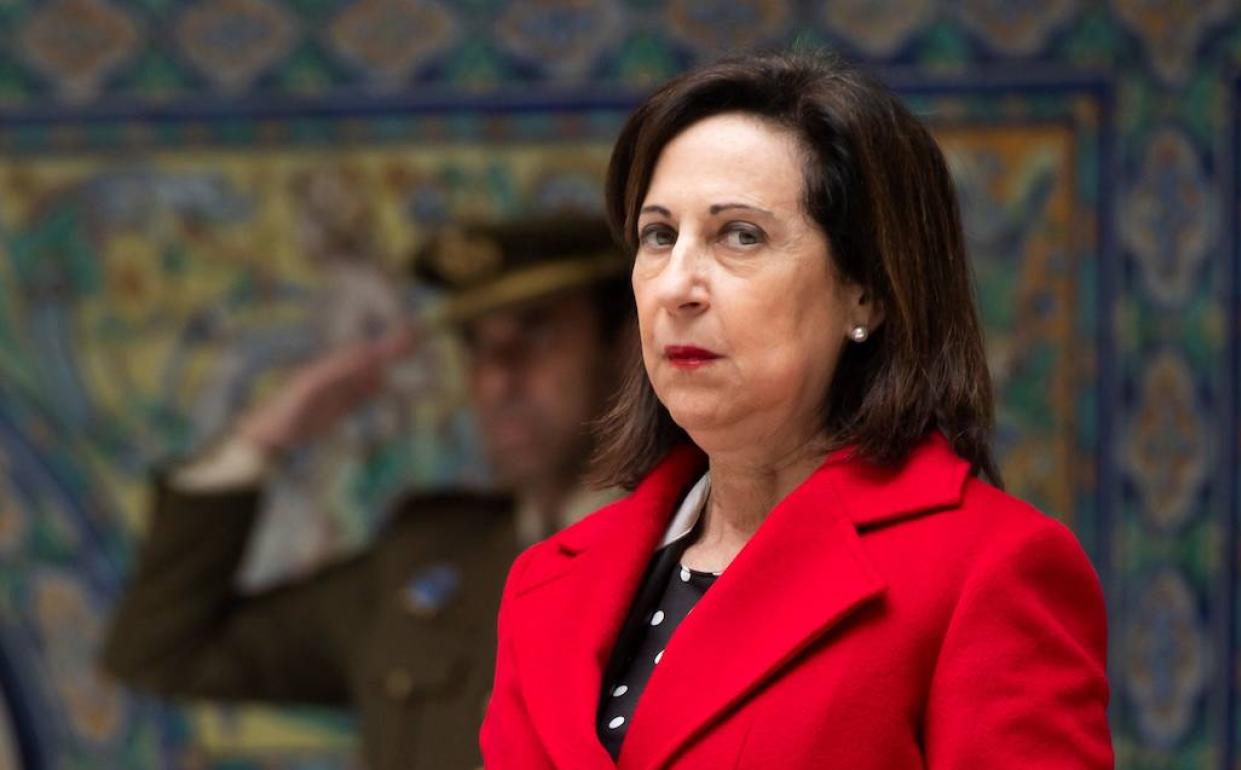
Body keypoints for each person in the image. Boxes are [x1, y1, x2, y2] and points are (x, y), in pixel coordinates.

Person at [480, 51, 1113, 769]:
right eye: (659, 235)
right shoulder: (548, 581)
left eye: (739, 235)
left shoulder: (988, 569)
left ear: (867, 290)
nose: (676, 286)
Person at [101, 214, 631, 770]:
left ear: (625, 349)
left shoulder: (683, 560)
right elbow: (162, 650)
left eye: (537, 335)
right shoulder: (427, 561)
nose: (498, 379)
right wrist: (261, 441)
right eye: (477, 345)